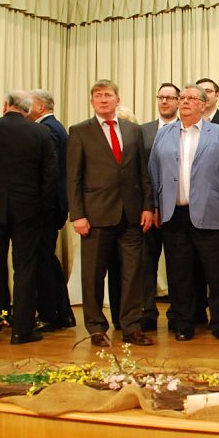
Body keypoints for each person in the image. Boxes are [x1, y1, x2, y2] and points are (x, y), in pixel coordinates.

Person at [67, 80, 155, 347]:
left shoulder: (133, 130)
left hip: (131, 215)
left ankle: (130, 326)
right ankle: (96, 327)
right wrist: (77, 215)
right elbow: (73, 178)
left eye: (108, 95)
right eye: (98, 96)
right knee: (93, 275)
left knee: (132, 274)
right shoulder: (80, 131)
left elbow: (143, 172)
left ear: (117, 100)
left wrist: (147, 206)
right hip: (95, 216)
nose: (103, 100)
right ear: (92, 102)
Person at [0, 90, 57, 344]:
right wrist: (42, 208)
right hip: (28, 211)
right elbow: (49, 176)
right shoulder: (40, 132)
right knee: (25, 269)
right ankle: (22, 329)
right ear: (28, 110)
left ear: (5, 105)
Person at [149, 84, 219, 341]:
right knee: (179, 273)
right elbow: (154, 173)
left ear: (203, 103)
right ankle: (184, 322)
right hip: (173, 215)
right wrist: (154, 205)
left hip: (210, 213)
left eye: (191, 98)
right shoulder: (164, 134)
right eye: (182, 98)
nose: (185, 102)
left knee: (217, 272)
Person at [27, 89, 76, 332]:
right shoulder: (56, 127)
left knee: (43, 260)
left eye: (29, 104)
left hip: (47, 206)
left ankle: (49, 313)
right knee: (47, 258)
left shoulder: (47, 130)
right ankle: (63, 313)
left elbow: (50, 172)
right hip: (54, 205)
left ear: (40, 107)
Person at [139, 82, 181, 332]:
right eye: (161, 97)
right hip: (147, 209)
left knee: (177, 264)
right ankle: (147, 311)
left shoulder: (185, 129)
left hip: (176, 210)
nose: (164, 101)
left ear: (178, 101)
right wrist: (149, 205)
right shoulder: (141, 131)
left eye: (170, 98)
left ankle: (177, 312)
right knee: (146, 263)